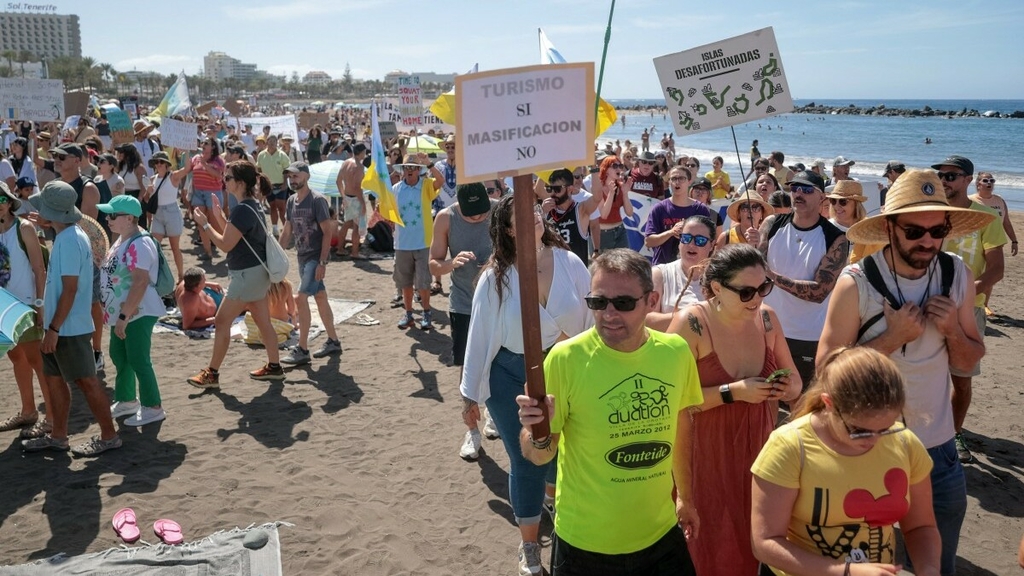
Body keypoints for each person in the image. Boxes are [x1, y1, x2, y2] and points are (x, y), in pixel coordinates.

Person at [817, 169, 993, 576]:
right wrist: (891, 338)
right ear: (890, 228)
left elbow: (967, 363)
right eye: (914, 230)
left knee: (937, 563)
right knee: (861, 564)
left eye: (938, 230)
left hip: (936, 450)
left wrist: (951, 329)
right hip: (862, 447)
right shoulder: (856, 284)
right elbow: (826, 372)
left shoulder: (956, 275)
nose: (928, 241)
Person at [516, 249, 703, 576]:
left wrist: (685, 497)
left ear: (652, 300)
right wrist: (535, 430)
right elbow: (539, 456)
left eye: (624, 303)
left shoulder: (676, 353)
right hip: (584, 546)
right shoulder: (565, 359)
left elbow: (680, 425)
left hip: (659, 535)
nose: (609, 313)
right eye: (599, 302)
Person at [461, 195, 591, 576]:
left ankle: (550, 499)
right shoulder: (496, 276)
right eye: (520, 214)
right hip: (510, 376)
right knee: (525, 458)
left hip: (562, 371)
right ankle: (530, 546)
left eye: (535, 209)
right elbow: (479, 337)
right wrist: (470, 395)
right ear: (506, 229)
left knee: (557, 448)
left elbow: (590, 316)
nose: (532, 215)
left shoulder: (570, 262)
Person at [668, 243, 801, 576]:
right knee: (706, 549)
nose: (756, 299)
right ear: (716, 288)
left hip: (759, 457)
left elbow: (797, 384)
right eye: (745, 292)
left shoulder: (768, 319)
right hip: (704, 459)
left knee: (753, 544)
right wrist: (733, 392)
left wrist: (785, 387)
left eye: (763, 288)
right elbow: (668, 400)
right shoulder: (692, 323)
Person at [751, 347, 941, 576]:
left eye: (885, 429)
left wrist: (929, 569)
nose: (874, 440)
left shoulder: (905, 443)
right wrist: (845, 571)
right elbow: (765, 543)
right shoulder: (789, 446)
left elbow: (921, 527)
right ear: (829, 404)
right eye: (859, 430)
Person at [21, 181, 121, 456]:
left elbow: (71, 289)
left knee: (87, 381)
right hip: (61, 324)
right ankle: (58, 436)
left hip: (68, 327)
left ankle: (109, 436)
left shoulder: (69, 241)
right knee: (54, 379)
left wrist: (53, 328)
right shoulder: (67, 234)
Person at [930, 155, 1007, 464]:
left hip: (967, 311)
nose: (945, 180)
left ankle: (954, 432)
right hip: (928, 307)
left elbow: (996, 270)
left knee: (961, 378)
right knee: (925, 373)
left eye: (952, 175)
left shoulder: (986, 216)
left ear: (967, 180)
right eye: (941, 175)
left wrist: (964, 295)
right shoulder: (932, 212)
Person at [187, 160, 285, 388]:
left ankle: (212, 373)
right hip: (257, 274)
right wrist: (220, 216)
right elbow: (236, 234)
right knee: (263, 323)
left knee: (222, 322)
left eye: (228, 178)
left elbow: (226, 244)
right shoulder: (252, 204)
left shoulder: (243, 209)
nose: (224, 181)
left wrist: (205, 224)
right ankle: (274, 367)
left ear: (240, 183)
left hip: (246, 276)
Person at [757, 170, 848, 388]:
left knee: (800, 402)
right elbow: (758, 268)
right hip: (766, 328)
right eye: (794, 188)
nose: (798, 193)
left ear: (822, 198)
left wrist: (773, 276)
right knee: (765, 396)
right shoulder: (772, 224)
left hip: (807, 336)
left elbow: (818, 292)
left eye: (806, 190)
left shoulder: (836, 239)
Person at [428, 182, 499, 460]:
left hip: (498, 301)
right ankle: (471, 431)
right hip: (463, 304)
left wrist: (498, 260)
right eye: (472, 215)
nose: (479, 218)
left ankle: (493, 413)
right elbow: (433, 263)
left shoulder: (498, 211)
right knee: (467, 369)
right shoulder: (446, 217)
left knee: (498, 362)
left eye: (482, 213)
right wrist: (451, 263)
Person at [96, 195, 166, 427]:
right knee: (120, 356)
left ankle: (153, 407)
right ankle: (127, 400)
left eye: (112, 215)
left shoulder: (140, 242)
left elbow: (140, 282)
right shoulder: (122, 239)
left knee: (138, 359)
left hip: (138, 311)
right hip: (123, 313)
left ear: (129, 218)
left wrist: (124, 316)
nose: (108, 219)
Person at [0, 182, 51, 439]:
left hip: (27, 305)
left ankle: (51, 418)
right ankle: (28, 411)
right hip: (4, 308)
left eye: (1, 198)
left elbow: (39, 269)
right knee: (16, 358)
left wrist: (40, 305)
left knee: (37, 361)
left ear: (9, 202)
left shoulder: (25, 228)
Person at [278, 162, 342, 365]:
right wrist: (277, 255)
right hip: (302, 257)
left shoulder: (317, 200)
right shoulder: (290, 201)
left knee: (300, 298)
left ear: (306, 176)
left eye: (296, 176)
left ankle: (303, 349)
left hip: (315, 258)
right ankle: (333, 341)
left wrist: (322, 262)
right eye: (290, 176)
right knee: (320, 297)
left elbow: (327, 232)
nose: (292, 179)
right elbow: (287, 230)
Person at [391, 154, 440, 330]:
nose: (410, 170)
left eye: (413, 167)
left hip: (423, 242)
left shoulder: (425, 185)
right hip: (402, 243)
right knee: (405, 282)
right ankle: (409, 314)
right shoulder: (395, 189)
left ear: (419, 170)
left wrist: (429, 164)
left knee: (423, 282)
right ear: (402, 170)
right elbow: (386, 208)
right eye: (407, 167)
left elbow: (440, 181)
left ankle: (426, 313)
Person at [647, 215, 716, 331]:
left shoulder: (721, 277)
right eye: (686, 238)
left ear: (712, 245)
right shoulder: (659, 274)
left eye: (700, 241)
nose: (691, 244)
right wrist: (689, 314)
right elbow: (647, 321)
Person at [968, 170, 1017, 315]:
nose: (989, 183)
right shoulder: (971, 200)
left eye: (992, 181)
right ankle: (971, 301)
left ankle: (985, 304)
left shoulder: (999, 200)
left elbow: (1006, 222)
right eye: (985, 181)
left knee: (991, 273)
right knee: (976, 273)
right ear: (978, 184)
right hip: (976, 241)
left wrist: (1014, 241)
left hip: (994, 242)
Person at [643, 166, 712, 265]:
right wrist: (671, 232)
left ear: (689, 181)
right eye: (674, 179)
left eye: (681, 178)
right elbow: (648, 242)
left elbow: (707, 242)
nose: (677, 182)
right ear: (669, 182)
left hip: (691, 267)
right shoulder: (659, 208)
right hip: (663, 266)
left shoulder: (701, 209)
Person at [541, 169, 601, 267]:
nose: (552, 194)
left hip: (576, 274)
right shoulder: (546, 211)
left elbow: (597, 197)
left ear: (570, 189)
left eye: (557, 189)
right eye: (549, 189)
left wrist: (594, 169)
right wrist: (541, 212)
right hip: (556, 273)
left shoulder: (580, 210)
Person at [147, 151, 190, 281]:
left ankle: (181, 275)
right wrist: (148, 192)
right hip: (158, 213)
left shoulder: (174, 176)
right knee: (154, 246)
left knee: (174, 247)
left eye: (161, 162)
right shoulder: (152, 179)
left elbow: (187, 168)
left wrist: (186, 151)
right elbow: (147, 199)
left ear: (167, 164)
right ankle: (156, 275)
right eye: (156, 162)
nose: (158, 164)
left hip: (171, 212)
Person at [190, 137, 227, 260]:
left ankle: (227, 247)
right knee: (201, 223)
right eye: (203, 143)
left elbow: (218, 175)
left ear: (213, 147)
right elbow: (189, 171)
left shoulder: (218, 160)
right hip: (198, 193)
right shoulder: (196, 158)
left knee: (215, 224)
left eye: (207, 143)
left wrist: (205, 164)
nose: (203, 145)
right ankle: (208, 252)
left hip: (213, 193)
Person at [593, 155, 634, 252]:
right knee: (605, 266)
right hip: (603, 234)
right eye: (615, 166)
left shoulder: (621, 187)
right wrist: (611, 193)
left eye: (620, 166)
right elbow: (604, 215)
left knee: (624, 264)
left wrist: (625, 194)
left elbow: (629, 213)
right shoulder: (599, 188)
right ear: (606, 169)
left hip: (620, 230)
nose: (619, 168)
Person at [336, 143, 368, 259]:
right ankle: (354, 252)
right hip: (355, 198)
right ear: (361, 152)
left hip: (348, 197)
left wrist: (343, 196)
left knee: (346, 224)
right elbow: (357, 187)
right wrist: (363, 204)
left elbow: (338, 181)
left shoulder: (346, 163)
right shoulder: (359, 166)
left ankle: (340, 248)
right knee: (356, 226)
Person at [257, 135, 290, 236]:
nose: (272, 143)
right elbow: (259, 169)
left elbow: (287, 170)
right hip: (268, 185)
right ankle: (275, 228)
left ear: (277, 143)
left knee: (281, 207)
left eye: (274, 141)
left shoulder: (282, 155)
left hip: (280, 185)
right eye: (270, 141)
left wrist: (285, 183)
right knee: (272, 206)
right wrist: (261, 183)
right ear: (266, 142)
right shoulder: (261, 155)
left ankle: (286, 229)